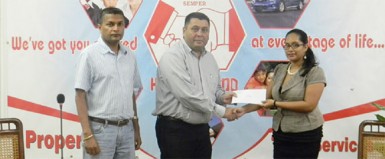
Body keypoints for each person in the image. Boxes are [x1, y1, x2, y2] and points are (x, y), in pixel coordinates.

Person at [152, 12, 237, 159]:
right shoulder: (173, 57)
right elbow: (187, 96)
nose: (200, 34)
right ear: (184, 30)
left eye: (204, 30)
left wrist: (222, 97)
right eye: (195, 29)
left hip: (202, 129)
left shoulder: (209, 58)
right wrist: (222, 111)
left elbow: (215, 88)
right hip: (175, 130)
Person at [236, 28, 327, 159]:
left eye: (296, 45)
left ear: (306, 46)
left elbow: (309, 105)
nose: (290, 49)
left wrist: (276, 103)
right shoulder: (279, 69)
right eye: (287, 45)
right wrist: (243, 109)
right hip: (281, 133)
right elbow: (266, 98)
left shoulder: (315, 72)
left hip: (305, 134)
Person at [74, 7, 142, 159]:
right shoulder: (89, 55)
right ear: (100, 27)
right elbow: (80, 96)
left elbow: (131, 93)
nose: (116, 29)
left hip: (127, 129)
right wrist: (87, 135)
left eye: (120, 24)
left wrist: (136, 128)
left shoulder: (129, 56)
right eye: (110, 24)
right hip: (100, 131)